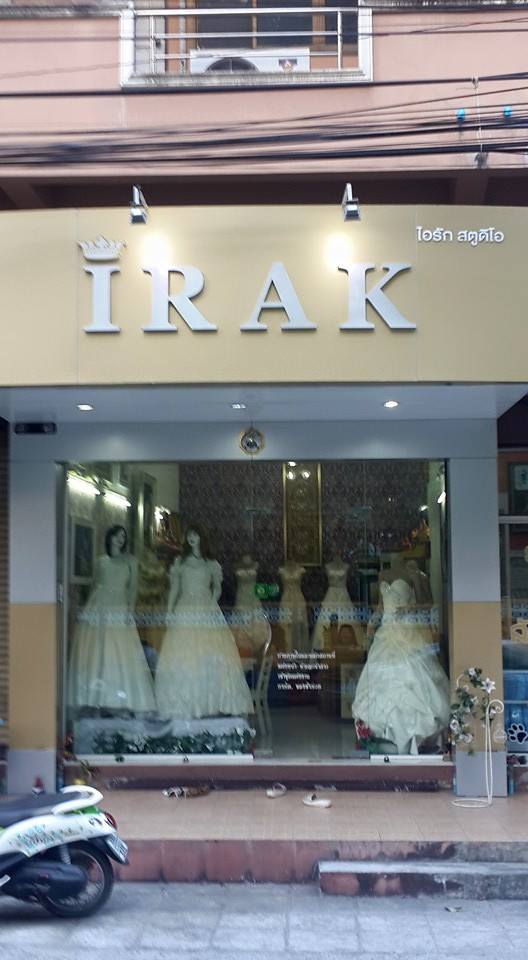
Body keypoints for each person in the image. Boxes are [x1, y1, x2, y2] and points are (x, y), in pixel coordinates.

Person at [155, 525, 254, 720]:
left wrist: (212, 601)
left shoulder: (211, 564)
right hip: (184, 609)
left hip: (206, 608)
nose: (191, 538)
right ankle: (184, 703)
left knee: (210, 652)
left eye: (195, 534)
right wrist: (169, 611)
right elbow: (174, 589)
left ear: (201, 537)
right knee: (184, 653)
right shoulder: (180, 562)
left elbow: (217, 588)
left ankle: (211, 701)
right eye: (189, 535)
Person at [352, 564, 450, 754]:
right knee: (381, 681)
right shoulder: (382, 574)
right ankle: (384, 736)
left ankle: (414, 736)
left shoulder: (416, 574)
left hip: (408, 630)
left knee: (413, 677)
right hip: (386, 631)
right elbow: (381, 606)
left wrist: (408, 608)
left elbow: (427, 604)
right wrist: (372, 623)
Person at [68, 525, 156, 714]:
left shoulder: (131, 562)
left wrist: (129, 611)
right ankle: (96, 698)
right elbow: (94, 586)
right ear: (109, 538)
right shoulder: (100, 562)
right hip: (99, 606)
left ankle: (119, 699)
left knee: (119, 649)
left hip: (119, 606)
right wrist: (86, 611)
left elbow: (133, 589)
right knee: (98, 650)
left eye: (123, 536)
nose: (120, 539)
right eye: (116, 536)